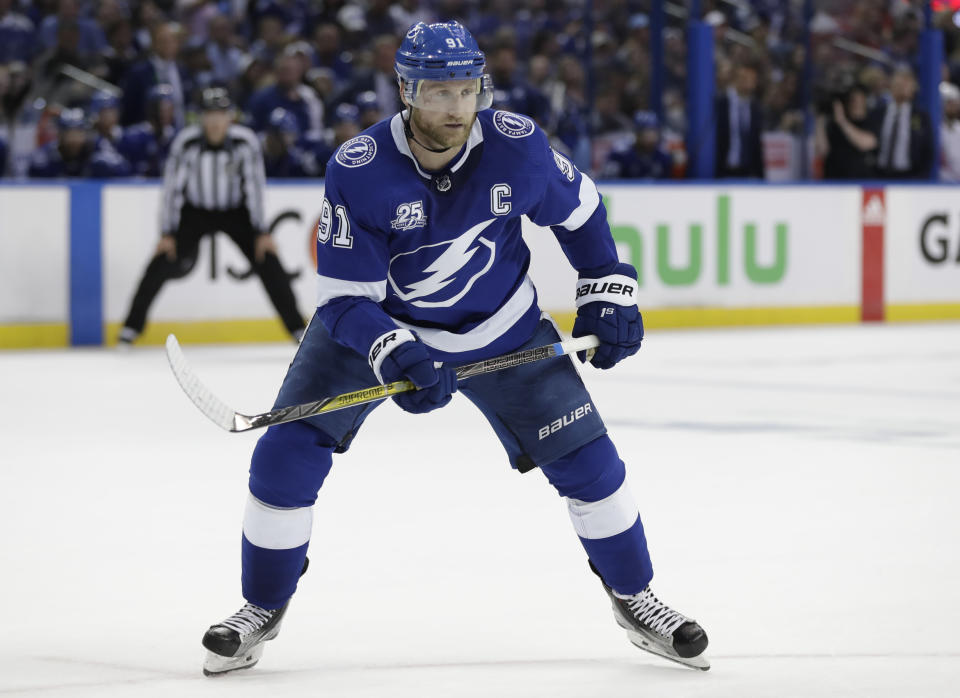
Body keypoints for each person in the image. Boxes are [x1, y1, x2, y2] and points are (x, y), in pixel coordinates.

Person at [199, 21, 709, 677]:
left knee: (592, 465)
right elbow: (343, 300)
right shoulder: (358, 170)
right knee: (283, 458)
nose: (456, 109)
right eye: (439, 93)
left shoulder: (517, 149)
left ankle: (636, 598)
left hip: (503, 325)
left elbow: (581, 212)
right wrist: (395, 350)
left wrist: (607, 289)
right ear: (406, 90)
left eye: (466, 91)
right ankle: (261, 608)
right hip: (377, 326)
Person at [117, 87, 306, 345]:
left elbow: (254, 187)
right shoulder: (186, 143)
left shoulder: (245, 142)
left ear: (230, 117)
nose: (216, 121)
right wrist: (167, 233)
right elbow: (172, 189)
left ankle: (297, 329)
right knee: (161, 261)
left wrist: (261, 231)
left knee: (268, 260)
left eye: (221, 115)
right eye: (210, 115)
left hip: (234, 211)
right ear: (201, 118)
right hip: (196, 211)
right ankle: (130, 329)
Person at [873, 65, 932, 179]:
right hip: (879, 175)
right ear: (891, 86)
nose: (903, 88)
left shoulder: (921, 116)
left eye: (907, 84)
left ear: (914, 88)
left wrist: (922, 177)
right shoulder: (877, 113)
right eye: (899, 84)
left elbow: (928, 150)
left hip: (910, 177)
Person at [817, 83, 878, 180]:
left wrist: (842, 121)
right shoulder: (834, 123)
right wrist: (820, 120)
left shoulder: (872, 120)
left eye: (859, 100)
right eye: (852, 100)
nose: (855, 104)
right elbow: (822, 151)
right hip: (834, 180)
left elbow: (866, 144)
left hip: (860, 182)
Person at [715, 62, 765, 179]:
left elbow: (756, 144)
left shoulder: (755, 107)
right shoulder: (721, 103)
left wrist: (761, 176)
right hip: (723, 172)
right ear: (735, 79)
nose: (749, 82)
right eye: (744, 78)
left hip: (747, 173)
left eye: (752, 79)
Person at [603, 110, 673, 179]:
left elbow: (669, 184)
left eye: (654, 132)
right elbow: (609, 181)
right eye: (646, 132)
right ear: (637, 134)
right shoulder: (620, 153)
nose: (651, 136)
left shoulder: (663, 154)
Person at [939, 81, 960, 183]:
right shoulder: (936, 128)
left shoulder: (958, 128)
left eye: (955, 103)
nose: (954, 107)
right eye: (949, 103)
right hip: (942, 182)